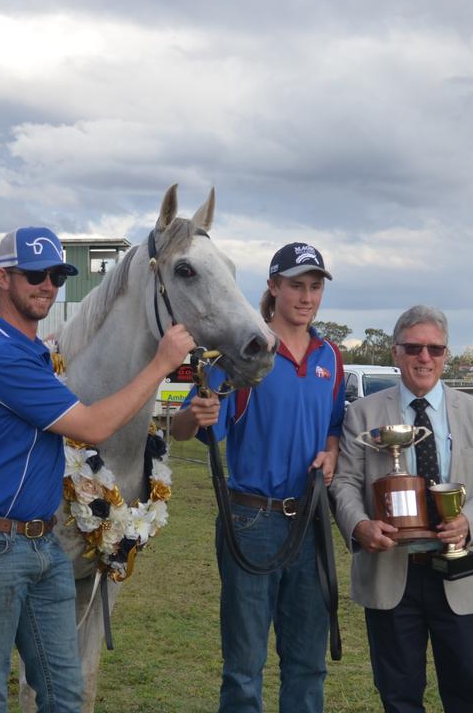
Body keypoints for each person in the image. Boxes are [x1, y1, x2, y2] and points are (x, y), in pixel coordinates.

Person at [0, 226, 195, 713]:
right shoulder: (0, 354)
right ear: (1, 278)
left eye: (56, 275)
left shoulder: (37, 354)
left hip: (42, 546)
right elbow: (93, 425)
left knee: (62, 692)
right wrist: (160, 365)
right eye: (34, 274)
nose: (47, 285)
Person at [172, 242, 345, 713]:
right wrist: (198, 415)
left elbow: (333, 427)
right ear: (273, 287)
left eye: (314, 287)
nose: (306, 297)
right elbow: (184, 426)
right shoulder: (243, 352)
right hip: (252, 522)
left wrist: (330, 452)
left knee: (308, 665)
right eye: (296, 286)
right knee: (245, 668)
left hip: (310, 522)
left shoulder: (332, 358)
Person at [332, 304, 473, 713]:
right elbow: (343, 482)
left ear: (446, 354)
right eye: (413, 348)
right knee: (398, 696)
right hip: (390, 572)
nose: (424, 358)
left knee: (467, 694)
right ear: (395, 353)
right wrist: (360, 526)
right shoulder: (362, 414)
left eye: (435, 349)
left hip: (459, 574)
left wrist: (470, 521)